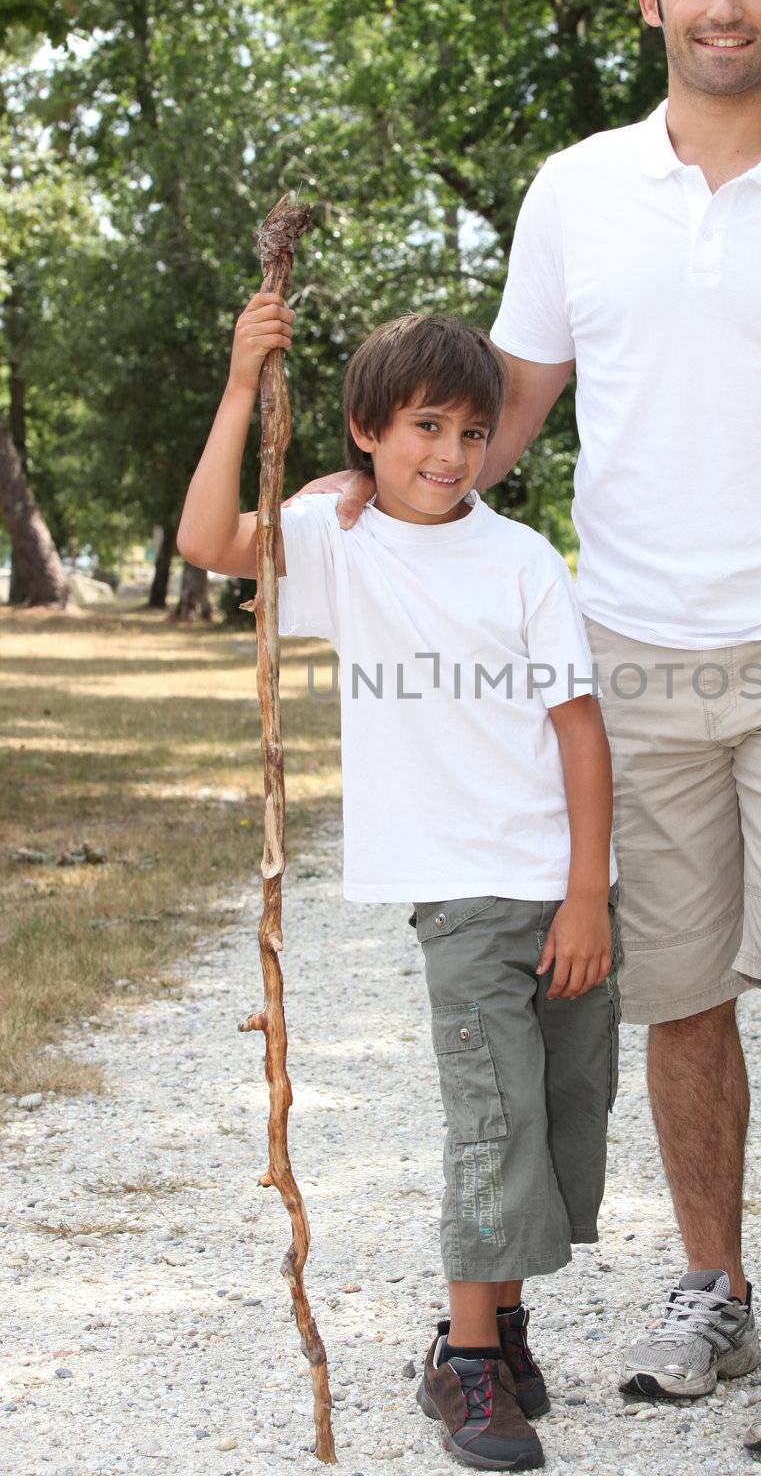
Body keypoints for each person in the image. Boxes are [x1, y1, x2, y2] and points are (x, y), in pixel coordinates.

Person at [292, 0, 761, 1463]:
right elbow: (505, 401)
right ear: (651, 6)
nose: (721, 6)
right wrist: (367, 499)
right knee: (674, 1001)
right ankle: (708, 1290)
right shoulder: (575, 191)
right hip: (633, 641)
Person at [176, 300, 621, 1473]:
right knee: (494, 1118)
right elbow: (206, 541)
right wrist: (238, 389)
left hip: (561, 889)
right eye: (424, 425)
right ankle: (465, 1367)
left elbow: (579, 734)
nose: (450, 454)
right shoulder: (341, 543)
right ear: (367, 429)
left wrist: (587, 894)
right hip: (458, 892)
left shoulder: (523, 560)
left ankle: (501, 1322)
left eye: (473, 432)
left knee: (565, 1117)